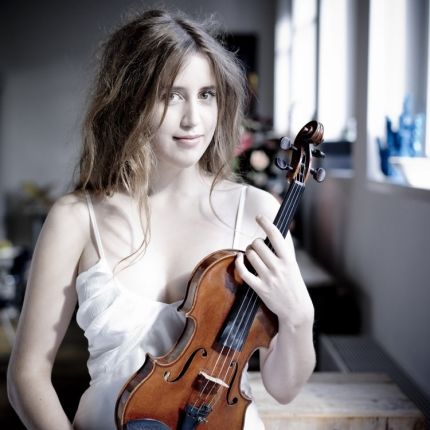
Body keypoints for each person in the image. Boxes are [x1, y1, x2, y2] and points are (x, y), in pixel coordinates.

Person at [7, 8, 316, 430]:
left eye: (206, 94)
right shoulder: (75, 219)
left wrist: (300, 317)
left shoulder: (258, 214)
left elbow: (283, 387)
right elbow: (27, 377)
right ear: (129, 101)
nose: (193, 118)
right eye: (171, 95)